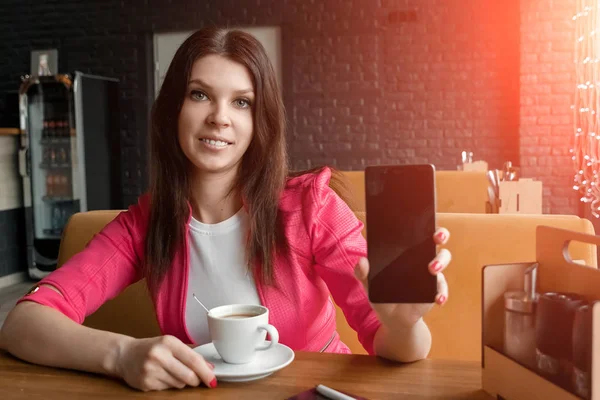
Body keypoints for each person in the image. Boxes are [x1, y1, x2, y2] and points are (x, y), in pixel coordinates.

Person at [0, 27, 452, 392]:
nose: (220, 116)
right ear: (173, 109)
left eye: (242, 102)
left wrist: (403, 323)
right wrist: (122, 354)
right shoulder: (146, 223)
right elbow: (23, 322)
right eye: (200, 95)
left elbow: (398, 348)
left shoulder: (311, 208)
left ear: (260, 121)